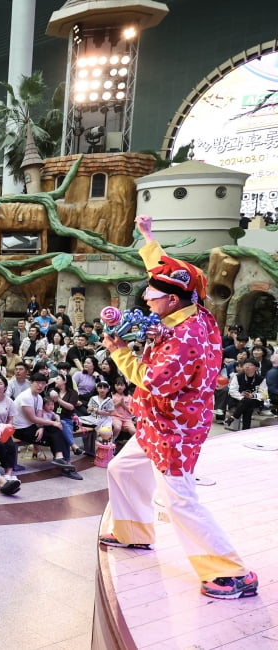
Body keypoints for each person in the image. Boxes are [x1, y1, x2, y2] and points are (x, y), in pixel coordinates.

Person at [99, 214, 256, 600]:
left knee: (180, 500)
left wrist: (118, 351)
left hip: (174, 430)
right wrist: (148, 237)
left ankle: (233, 572)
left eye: (151, 298)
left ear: (171, 301)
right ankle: (133, 532)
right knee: (121, 468)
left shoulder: (185, 337)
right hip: (155, 422)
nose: (146, 302)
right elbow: (166, 269)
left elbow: (152, 381)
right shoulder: (192, 302)